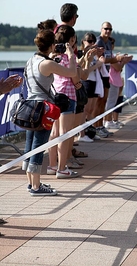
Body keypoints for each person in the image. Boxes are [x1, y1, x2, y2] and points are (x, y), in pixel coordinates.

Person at [23, 29, 77, 195]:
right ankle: (37, 187)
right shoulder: (47, 64)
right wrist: (71, 55)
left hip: (30, 106)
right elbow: (72, 73)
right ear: (52, 45)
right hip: (42, 109)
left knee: (30, 146)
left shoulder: (32, 60)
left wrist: (51, 58)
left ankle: (32, 183)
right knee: (39, 146)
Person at [47, 25, 80, 178]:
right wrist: (73, 56)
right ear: (71, 40)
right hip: (68, 96)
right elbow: (75, 77)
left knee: (54, 133)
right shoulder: (69, 58)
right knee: (65, 133)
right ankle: (62, 168)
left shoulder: (53, 57)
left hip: (54, 95)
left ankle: (52, 165)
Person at [94, 21, 127, 138]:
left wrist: (119, 59)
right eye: (105, 29)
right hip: (98, 74)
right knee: (99, 103)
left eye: (110, 29)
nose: (108, 31)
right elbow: (101, 59)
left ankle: (101, 126)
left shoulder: (108, 43)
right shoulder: (99, 42)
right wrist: (116, 59)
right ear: (101, 29)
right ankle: (96, 127)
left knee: (103, 102)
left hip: (106, 74)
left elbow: (109, 59)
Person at [103, 37, 132, 129]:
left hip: (115, 80)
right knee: (110, 103)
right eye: (110, 44)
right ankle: (108, 121)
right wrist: (123, 61)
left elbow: (119, 69)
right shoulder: (109, 56)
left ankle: (109, 120)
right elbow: (118, 68)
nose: (111, 46)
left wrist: (121, 60)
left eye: (112, 44)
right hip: (112, 81)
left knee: (112, 102)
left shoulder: (112, 55)